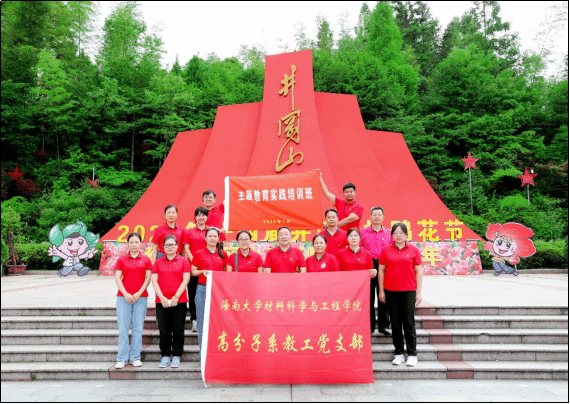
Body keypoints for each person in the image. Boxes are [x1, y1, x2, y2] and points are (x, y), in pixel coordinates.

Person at [378, 223, 423, 367]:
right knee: (395, 323)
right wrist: (381, 291)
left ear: (406, 235)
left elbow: (419, 272)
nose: (398, 235)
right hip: (391, 291)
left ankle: (412, 354)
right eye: (396, 233)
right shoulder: (385, 250)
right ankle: (398, 353)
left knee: (409, 323)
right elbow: (381, 271)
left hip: (408, 291)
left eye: (401, 233)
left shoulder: (414, 250)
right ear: (392, 235)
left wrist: (419, 292)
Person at [151, 235, 191, 369]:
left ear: (177, 246)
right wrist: (162, 297)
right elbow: (154, 281)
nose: (170, 247)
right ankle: (165, 355)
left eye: (172, 245)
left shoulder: (184, 261)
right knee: (164, 330)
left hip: (179, 301)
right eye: (167, 245)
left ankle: (177, 355)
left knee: (178, 329)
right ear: (162, 247)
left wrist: (176, 297)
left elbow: (186, 279)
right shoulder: (158, 262)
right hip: (161, 301)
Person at [114, 232, 152, 369]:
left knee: (138, 329)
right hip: (123, 298)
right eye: (131, 242)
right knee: (123, 329)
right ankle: (122, 358)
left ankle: (135, 357)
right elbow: (118, 278)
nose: (134, 245)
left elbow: (148, 279)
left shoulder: (146, 260)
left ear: (141, 243)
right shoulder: (122, 260)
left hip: (140, 298)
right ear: (128, 244)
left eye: (137, 242)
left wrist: (138, 293)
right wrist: (126, 294)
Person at [191, 227, 230, 360]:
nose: (213, 238)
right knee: (202, 323)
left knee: (218, 323)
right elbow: (193, 271)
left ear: (218, 238)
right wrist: (202, 272)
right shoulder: (199, 253)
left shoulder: (223, 254)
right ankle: (203, 354)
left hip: (218, 292)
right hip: (202, 289)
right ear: (205, 238)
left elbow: (226, 272)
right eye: (210, 236)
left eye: (215, 236)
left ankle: (216, 353)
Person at [361, 207, 393, 336]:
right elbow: (360, 249)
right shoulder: (363, 232)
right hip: (368, 266)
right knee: (368, 297)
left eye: (379, 215)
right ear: (370, 216)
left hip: (383, 266)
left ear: (383, 217)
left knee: (383, 296)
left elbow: (391, 250)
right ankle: (369, 326)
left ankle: (383, 326)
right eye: (374, 215)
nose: (377, 217)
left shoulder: (388, 233)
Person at [183, 207, 209, 332]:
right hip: (192, 267)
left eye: (203, 215)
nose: (201, 217)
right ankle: (194, 319)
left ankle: (207, 319)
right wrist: (195, 261)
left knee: (207, 294)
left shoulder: (210, 231)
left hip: (207, 267)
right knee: (192, 293)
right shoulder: (189, 232)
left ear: (207, 217)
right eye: (198, 215)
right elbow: (186, 248)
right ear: (195, 217)